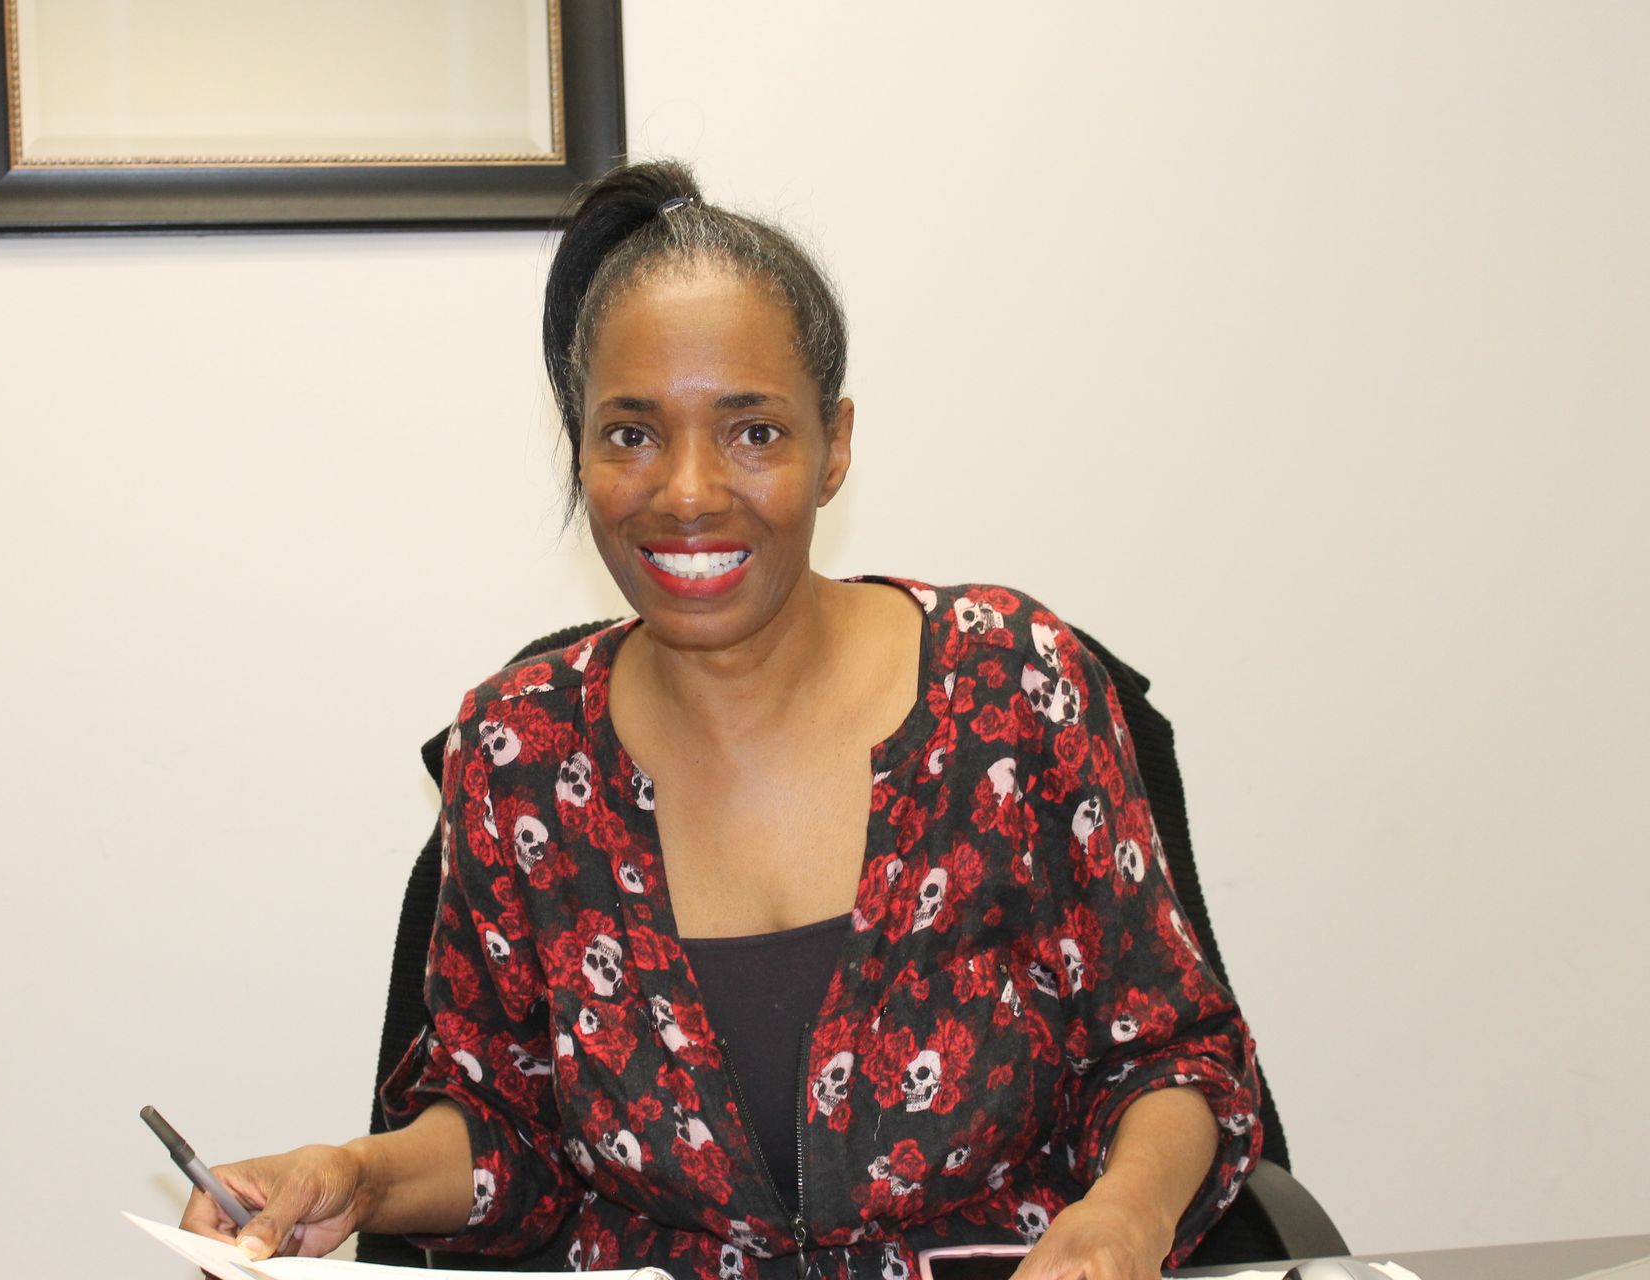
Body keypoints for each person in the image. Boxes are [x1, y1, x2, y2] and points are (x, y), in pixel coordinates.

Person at [180, 160, 1262, 1280]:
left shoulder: (1016, 689)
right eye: (632, 434)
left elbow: (1172, 1055)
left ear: (834, 443)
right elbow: (507, 1128)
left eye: (751, 431)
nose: (687, 491)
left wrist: (1128, 1215)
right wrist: (356, 1176)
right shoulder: (519, 754)